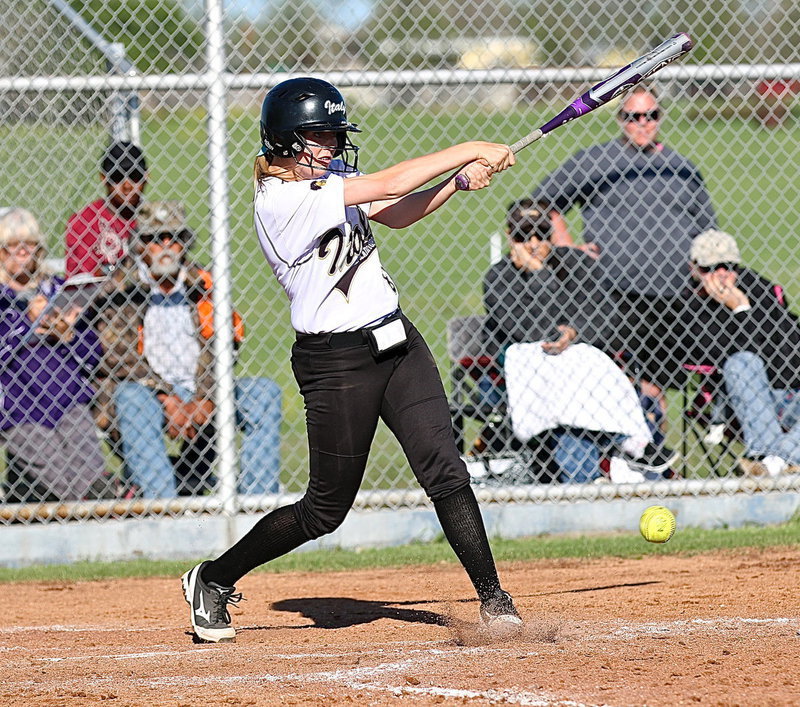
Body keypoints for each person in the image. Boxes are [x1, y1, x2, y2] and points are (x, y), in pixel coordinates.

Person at [181, 76, 522, 643]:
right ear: (286, 142)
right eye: (320, 137)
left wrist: (457, 185)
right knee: (325, 509)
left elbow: (398, 209)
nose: (333, 148)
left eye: (336, 136)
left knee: (443, 466)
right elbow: (388, 180)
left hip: (397, 342)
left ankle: (494, 599)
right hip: (335, 360)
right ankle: (213, 579)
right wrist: (471, 147)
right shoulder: (285, 199)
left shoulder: (329, 180)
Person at [86, 201, 282, 499]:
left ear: (184, 244)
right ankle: (164, 505)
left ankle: (258, 501)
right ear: (140, 245)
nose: (166, 246)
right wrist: (166, 396)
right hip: (148, 393)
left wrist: (206, 396)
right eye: (155, 239)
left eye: (174, 238)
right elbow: (118, 356)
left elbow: (226, 344)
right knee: (131, 400)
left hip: (202, 389)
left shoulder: (203, 284)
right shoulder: (121, 288)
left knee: (264, 394)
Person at [531, 86, 717, 392]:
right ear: (620, 119)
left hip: (673, 292)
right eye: (633, 116)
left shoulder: (682, 168)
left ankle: (654, 436)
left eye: (651, 115)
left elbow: (707, 229)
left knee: (659, 384)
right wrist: (565, 244)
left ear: (660, 118)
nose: (643, 123)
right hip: (612, 291)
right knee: (613, 382)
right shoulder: (595, 161)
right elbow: (542, 203)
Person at [482, 199, 668, 484]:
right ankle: (623, 449)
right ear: (509, 236)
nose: (533, 244)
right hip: (526, 370)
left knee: (573, 371)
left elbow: (604, 316)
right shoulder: (498, 276)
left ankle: (585, 479)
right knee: (564, 371)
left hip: (582, 371)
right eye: (522, 236)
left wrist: (573, 332)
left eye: (541, 235)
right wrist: (540, 275)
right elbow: (527, 328)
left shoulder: (576, 263)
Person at [669, 229, 800, 477]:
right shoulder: (689, 307)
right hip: (750, 401)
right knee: (741, 362)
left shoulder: (758, 288)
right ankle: (770, 456)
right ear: (694, 269)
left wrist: (745, 306)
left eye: (727, 266)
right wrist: (740, 310)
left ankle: (775, 462)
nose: (721, 274)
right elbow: (734, 353)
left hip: (793, 390)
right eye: (710, 268)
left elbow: (788, 343)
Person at [0, 208, 106, 502]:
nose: (22, 251)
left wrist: (67, 334)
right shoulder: (2, 299)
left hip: (68, 398)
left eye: (29, 243)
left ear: (39, 248)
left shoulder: (59, 290)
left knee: (91, 478)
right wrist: (29, 323)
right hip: (17, 406)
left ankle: (99, 509)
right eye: (12, 245)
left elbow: (91, 354)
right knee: (63, 480)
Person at [65, 142, 148, 278]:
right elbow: (80, 282)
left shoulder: (156, 216)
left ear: (146, 177)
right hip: (101, 297)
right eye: (117, 177)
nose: (127, 185)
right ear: (104, 178)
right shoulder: (84, 221)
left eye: (134, 176)